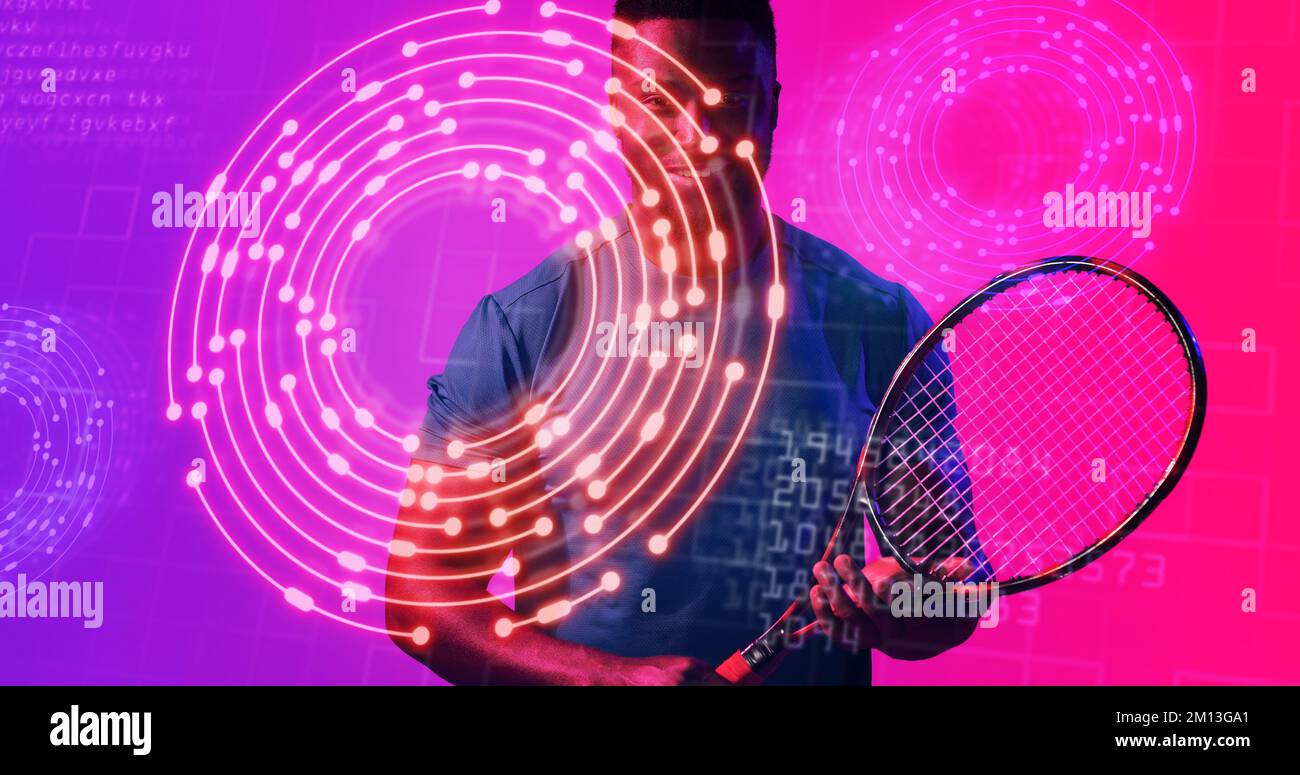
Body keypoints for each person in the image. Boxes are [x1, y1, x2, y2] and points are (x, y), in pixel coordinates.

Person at [385, 0, 979, 685]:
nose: (697, 132)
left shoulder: (877, 320)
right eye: (658, 96)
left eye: (730, 95)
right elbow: (421, 593)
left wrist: (898, 602)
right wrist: (608, 679)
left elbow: (955, 589)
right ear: (613, 108)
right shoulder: (526, 324)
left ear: (773, 106)